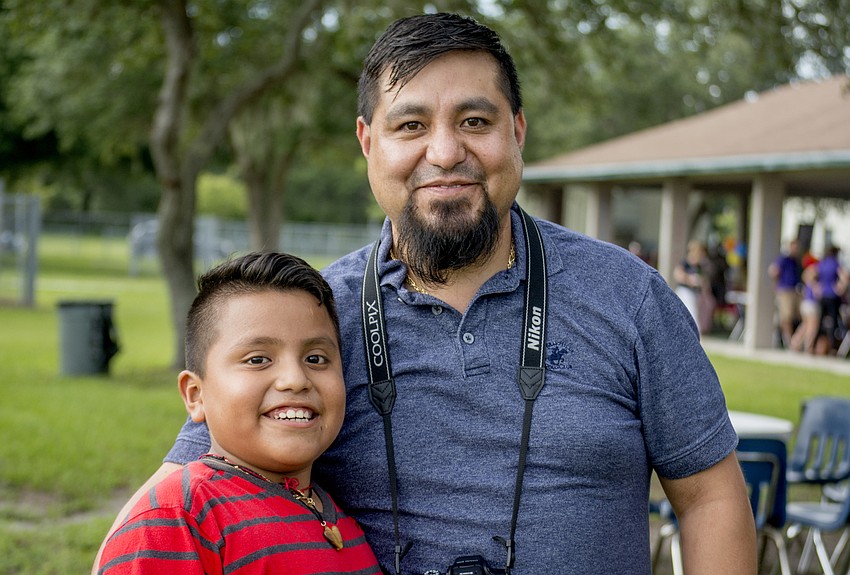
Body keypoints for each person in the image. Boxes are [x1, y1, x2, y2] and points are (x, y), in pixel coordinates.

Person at [96, 13, 755, 575]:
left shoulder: (630, 297)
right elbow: (173, 502)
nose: (445, 151)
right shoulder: (310, 321)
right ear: (368, 143)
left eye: (475, 120)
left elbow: (710, 497)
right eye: (410, 125)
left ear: (517, 133)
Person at [97, 253, 381, 574]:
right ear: (195, 395)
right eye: (258, 359)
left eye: (316, 359)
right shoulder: (177, 520)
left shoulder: (349, 526)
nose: (295, 379)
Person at [768, 238, 802, 348]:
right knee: (786, 317)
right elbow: (773, 271)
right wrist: (777, 286)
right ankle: (789, 341)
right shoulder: (783, 259)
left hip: (794, 291)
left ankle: (794, 340)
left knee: (797, 316)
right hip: (785, 291)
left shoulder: (795, 261)